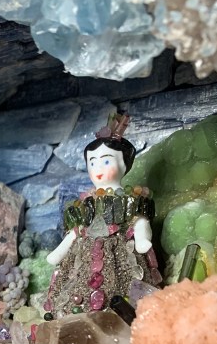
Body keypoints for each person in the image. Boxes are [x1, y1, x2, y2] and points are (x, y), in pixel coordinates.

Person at [44, 115, 162, 318]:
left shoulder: (132, 199)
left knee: (128, 288)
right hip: (85, 254)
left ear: (124, 165)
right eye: (92, 162)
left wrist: (142, 238)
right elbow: (76, 231)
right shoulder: (85, 202)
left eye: (106, 161)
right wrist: (60, 250)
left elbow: (139, 220)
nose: (97, 168)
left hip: (121, 249)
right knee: (77, 289)